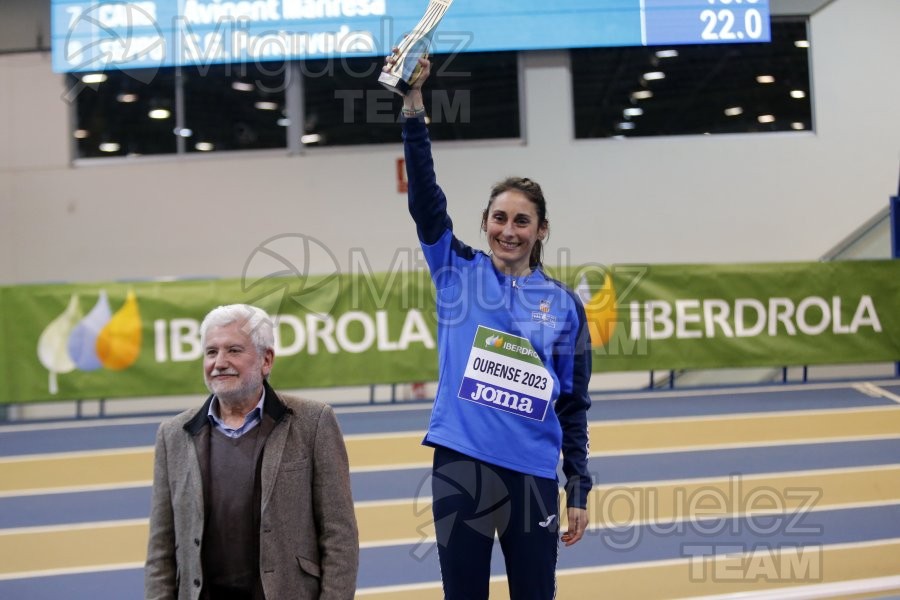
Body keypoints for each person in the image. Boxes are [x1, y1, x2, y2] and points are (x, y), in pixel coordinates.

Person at [386, 55, 593, 599]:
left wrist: (578, 486)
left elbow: (572, 406)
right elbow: (426, 201)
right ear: (484, 224)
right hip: (461, 468)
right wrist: (414, 105)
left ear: (541, 230)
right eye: (499, 218)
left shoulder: (565, 306)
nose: (508, 229)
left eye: (521, 220)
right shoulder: (456, 270)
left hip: (532, 477)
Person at [145, 304, 358, 600]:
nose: (219, 362)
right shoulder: (173, 435)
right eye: (211, 352)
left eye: (234, 350)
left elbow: (340, 536)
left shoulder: (313, 423)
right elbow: (160, 549)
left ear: (266, 360)